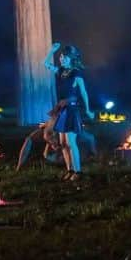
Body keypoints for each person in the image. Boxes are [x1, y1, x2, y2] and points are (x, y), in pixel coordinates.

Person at [45, 42, 96, 181]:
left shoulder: (76, 73)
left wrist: (88, 109)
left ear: (71, 59)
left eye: (65, 57)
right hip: (62, 110)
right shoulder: (61, 71)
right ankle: (70, 169)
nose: (61, 58)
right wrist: (51, 51)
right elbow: (46, 64)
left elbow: (83, 92)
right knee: (62, 143)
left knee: (71, 142)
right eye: (61, 56)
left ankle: (78, 172)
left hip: (71, 110)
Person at [17, 106, 96, 169]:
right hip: (58, 128)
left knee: (87, 139)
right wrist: (19, 165)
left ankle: (92, 155)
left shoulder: (66, 131)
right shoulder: (47, 134)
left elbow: (90, 138)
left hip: (66, 126)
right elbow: (28, 141)